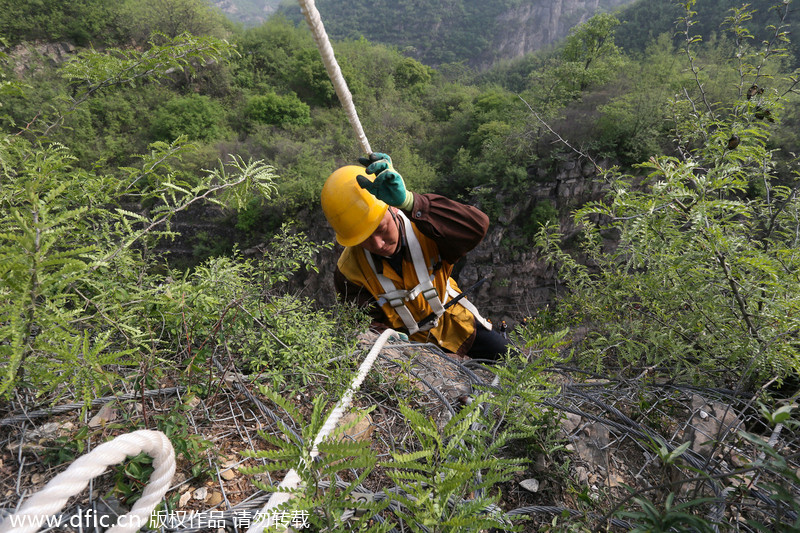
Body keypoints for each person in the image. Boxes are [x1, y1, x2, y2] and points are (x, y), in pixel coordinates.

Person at [321, 152, 508, 360]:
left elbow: (476, 226)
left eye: (381, 228)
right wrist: (383, 335)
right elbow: (362, 320)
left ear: (392, 209)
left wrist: (411, 202)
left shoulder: (426, 228)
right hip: (408, 345)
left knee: (511, 359)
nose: (378, 244)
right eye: (364, 238)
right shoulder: (350, 271)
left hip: (455, 322)